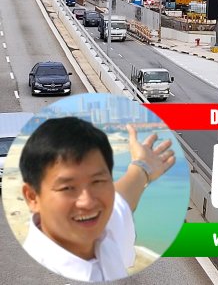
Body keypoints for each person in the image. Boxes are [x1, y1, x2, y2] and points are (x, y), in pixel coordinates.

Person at [19, 117, 176, 282]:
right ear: (32, 197)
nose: (87, 202)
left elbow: (122, 200)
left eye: (97, 181)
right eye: (67, 188)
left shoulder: (104, 228)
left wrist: (143, 166)